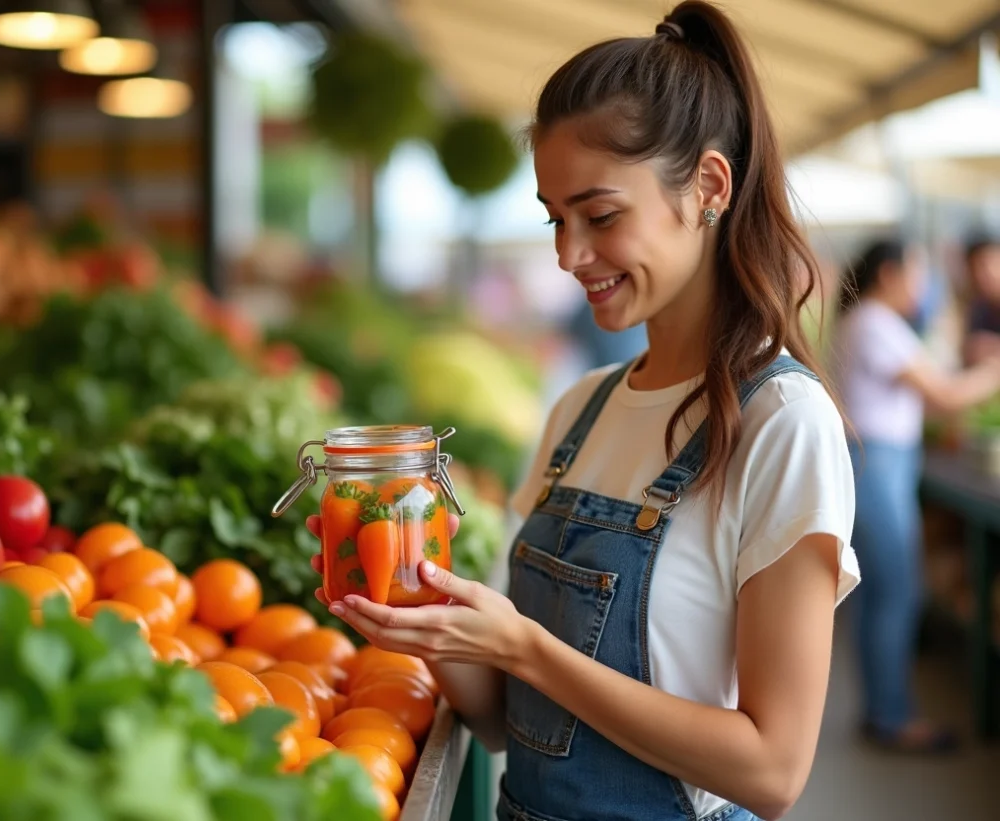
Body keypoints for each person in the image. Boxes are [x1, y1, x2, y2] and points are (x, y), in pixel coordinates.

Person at [310, 3, 860, 819]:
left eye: (599, 216)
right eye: (555, 219)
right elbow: (504, 721)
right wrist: (419, 614)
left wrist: (527, 647)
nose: (569, 256)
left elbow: (773, 770)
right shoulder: (579, 409)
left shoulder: (783, 424)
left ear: (709, 187)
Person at [832, 239, 1000, 754]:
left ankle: (882, 710)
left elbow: (923, 399)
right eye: (918, 272)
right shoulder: (876, 324)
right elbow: (945, 396)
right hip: (879, 465)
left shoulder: (867, 323)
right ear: (890, 273)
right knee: (897, 591)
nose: (923, 285)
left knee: (882, 591)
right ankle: (892, 717)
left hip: (881, 461)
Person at [961, 235, 1000, 365]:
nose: (984, 274)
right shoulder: (979, 309)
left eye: (987, 264)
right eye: (975, 268)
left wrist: (993, 347)